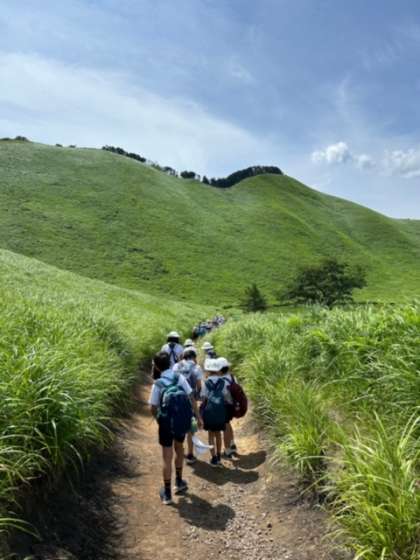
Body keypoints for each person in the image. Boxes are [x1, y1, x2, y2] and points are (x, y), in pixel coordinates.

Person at [149, 351, 198, 505]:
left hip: (165, 423)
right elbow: (191, 397)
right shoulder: (179, 378)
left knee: (167, 457)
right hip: (180, 421)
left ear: (157, 366)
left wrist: (159, 420)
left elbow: (153, 407)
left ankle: (167, 494)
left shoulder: (157, 384)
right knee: (179, 449)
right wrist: (198, 416)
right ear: (170, 364)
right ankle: (179, 482)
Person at [200, 358, 233, 467]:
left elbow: (203, 397)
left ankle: (213, 458)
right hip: (220, 412)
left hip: (209, 411)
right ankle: (219, 456)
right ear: (218, 370)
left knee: (211, 434)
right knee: (218, 434)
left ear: (208, 370)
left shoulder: (206, 382)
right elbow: (227, 397)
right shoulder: (222, 382)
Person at [173, 348, 203, 464]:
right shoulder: (197, 367)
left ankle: (179, 452)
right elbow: (199, 386)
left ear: (183, 357)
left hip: (176, 397)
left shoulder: (176, 366)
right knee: (190, 428)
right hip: (190, 399)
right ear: (194, 357)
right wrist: (198, 396)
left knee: (177, 426)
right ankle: (190, 455)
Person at [218, 357, 237, 457]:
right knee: (228, 424)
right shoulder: (232, 377)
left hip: (225, 406)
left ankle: (227, 450)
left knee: (225, 427)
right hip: (232, 405)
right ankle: (232, 443)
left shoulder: (221, 381)